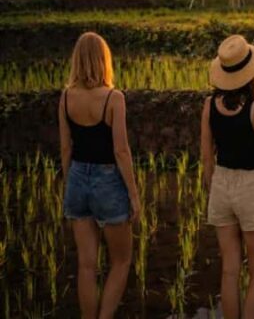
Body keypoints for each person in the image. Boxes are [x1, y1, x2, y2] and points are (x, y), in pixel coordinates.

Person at [59, 32, 140, 319]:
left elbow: (66, 147)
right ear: (103, 60)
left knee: (86, 265)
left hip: (77, 177)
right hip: (108, 181)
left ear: (78, 61)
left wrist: (70, 184)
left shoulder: (67, 96)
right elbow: (121, 150)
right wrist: (133, 193)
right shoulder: (114, 98)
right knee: (121, 261)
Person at [201, 34, 254, 319]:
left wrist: (212, 189)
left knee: (229, 269)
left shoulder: (209, 104)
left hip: (221, 186)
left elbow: (206, 156)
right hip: (251, 188)